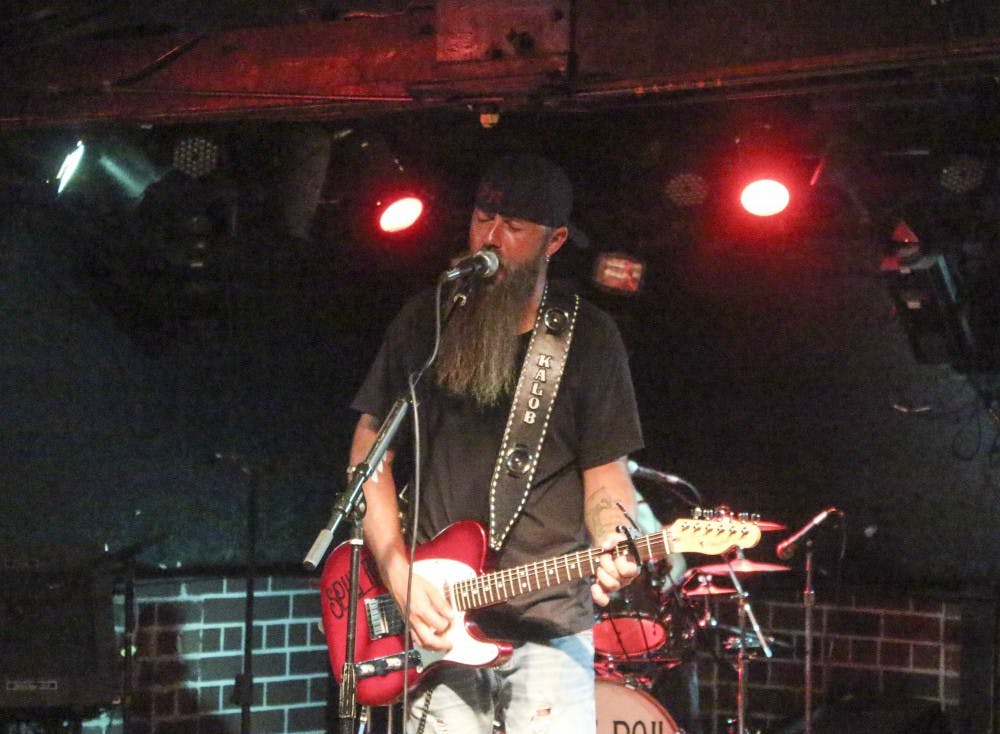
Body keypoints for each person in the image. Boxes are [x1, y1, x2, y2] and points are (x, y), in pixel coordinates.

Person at [348, 152, 644, 733]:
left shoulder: (589, 338)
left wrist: (617, 535)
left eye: (513, 228)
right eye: (484, 218)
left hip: (549, 623)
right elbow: (368, 449)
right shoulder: (426, 321)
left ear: (554, 240)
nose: (490, 238)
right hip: (436, 618)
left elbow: (607, 474)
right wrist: (394, 565)